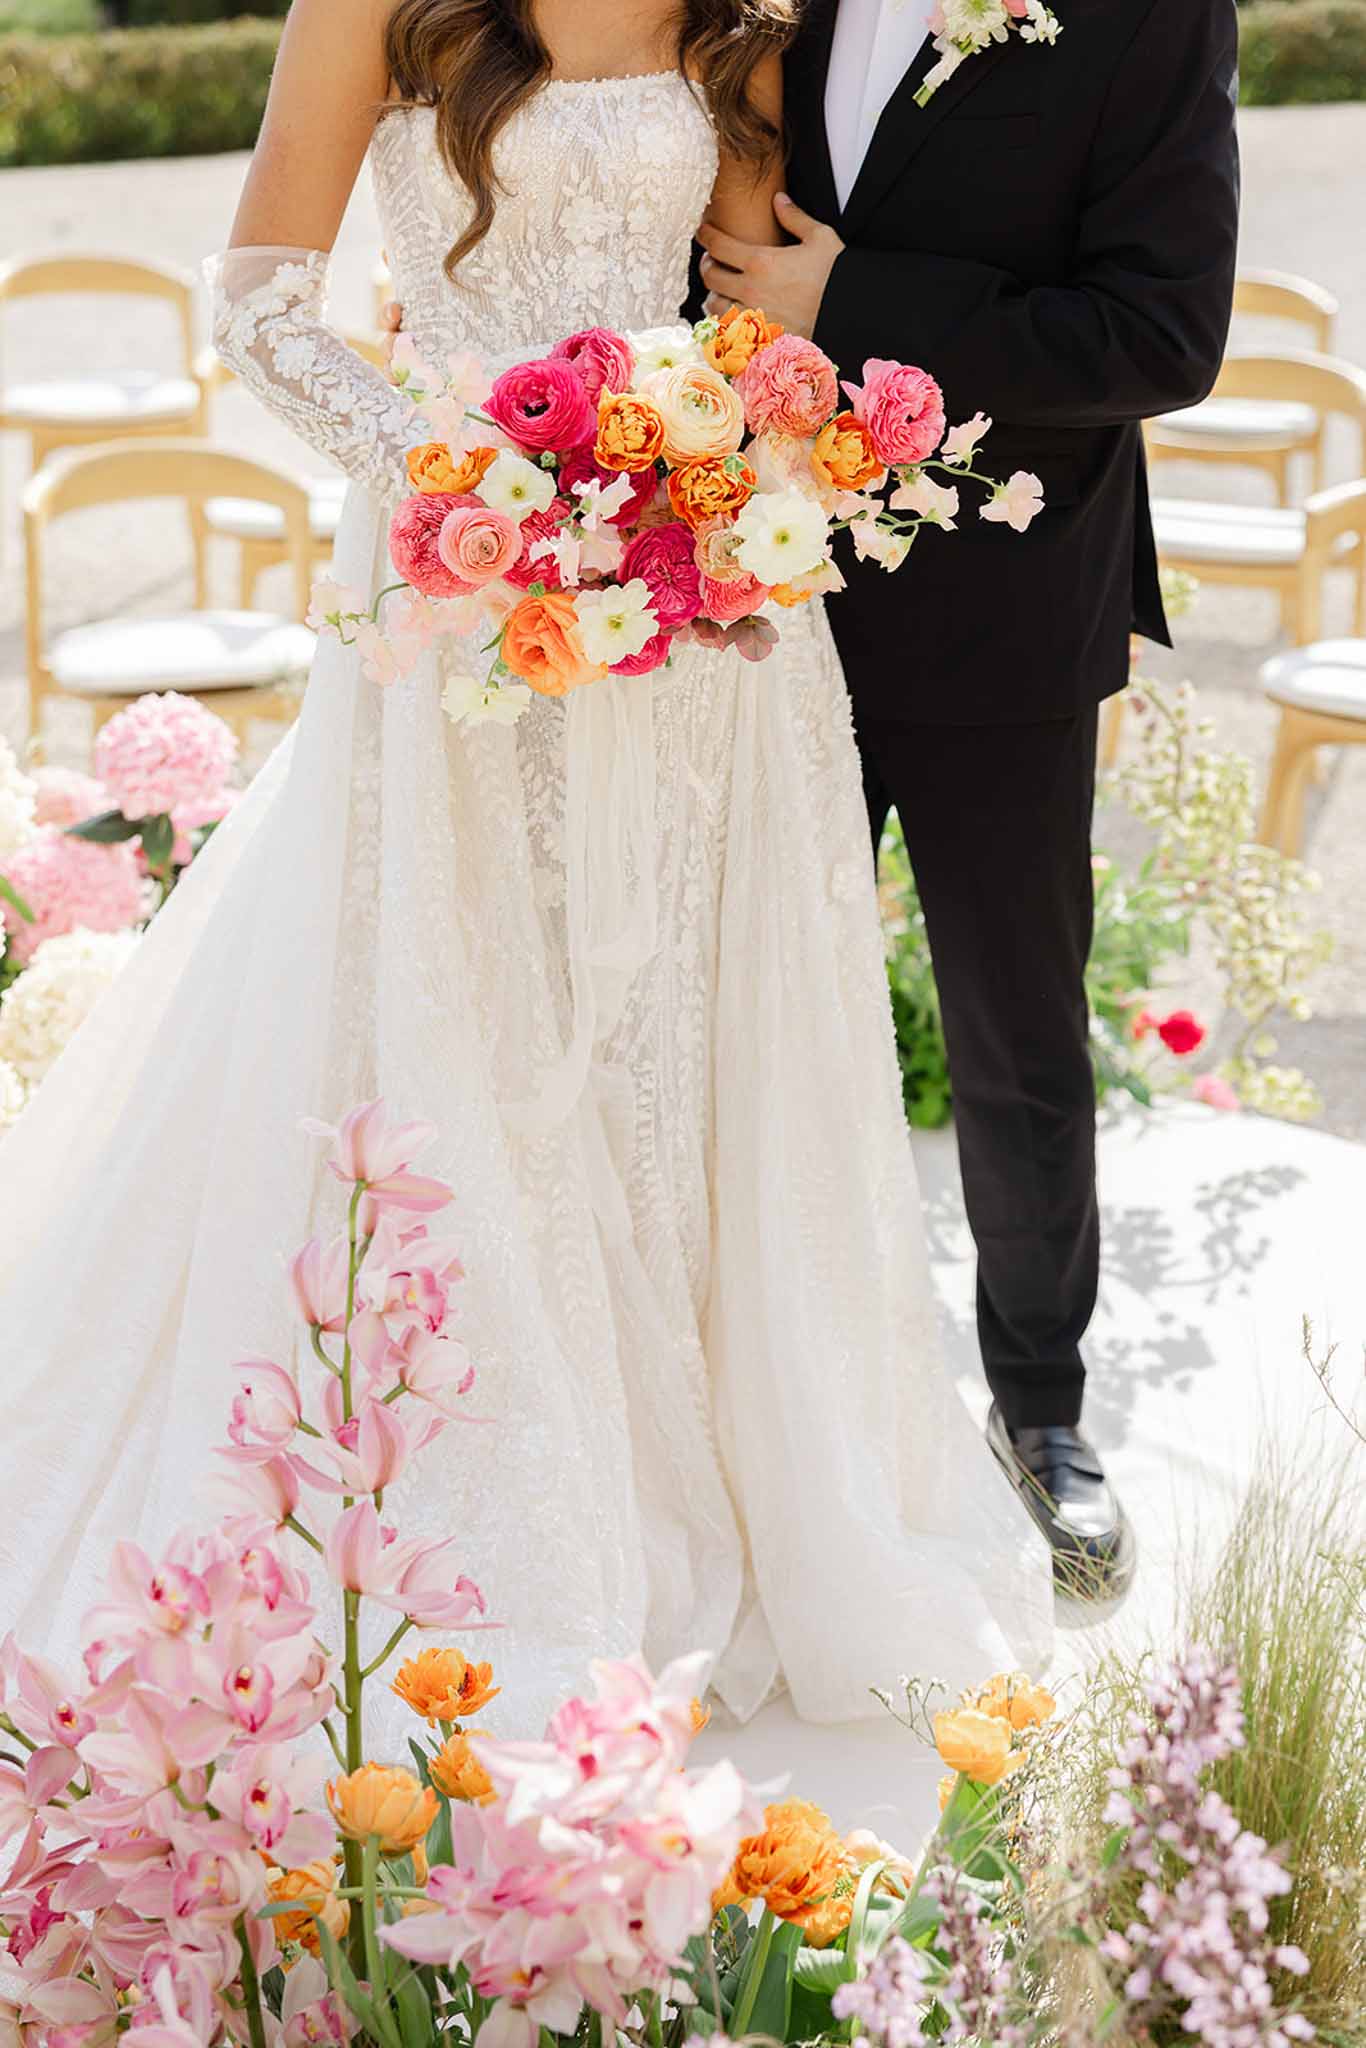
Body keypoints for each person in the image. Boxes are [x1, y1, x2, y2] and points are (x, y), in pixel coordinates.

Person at [0, 0, 1053, 1740]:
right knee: (469, 994)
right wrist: (463, 470)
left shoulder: (735, 20)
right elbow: (261, 304)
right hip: (460, 581)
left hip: (702, 592)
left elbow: (747, 283)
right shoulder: (377, 10)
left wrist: (751, 442)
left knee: (686, 1016)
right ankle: (517, 1499)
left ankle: (734, 1474)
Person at [694, 0, 1239, 1577]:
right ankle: (723, 1396)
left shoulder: (1149, 18)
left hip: (1003, 600)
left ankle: (1042, 1405)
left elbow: (1158, 335)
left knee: (1013, 1019)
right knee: (729, 997)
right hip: (752, 594)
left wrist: (856, 299)